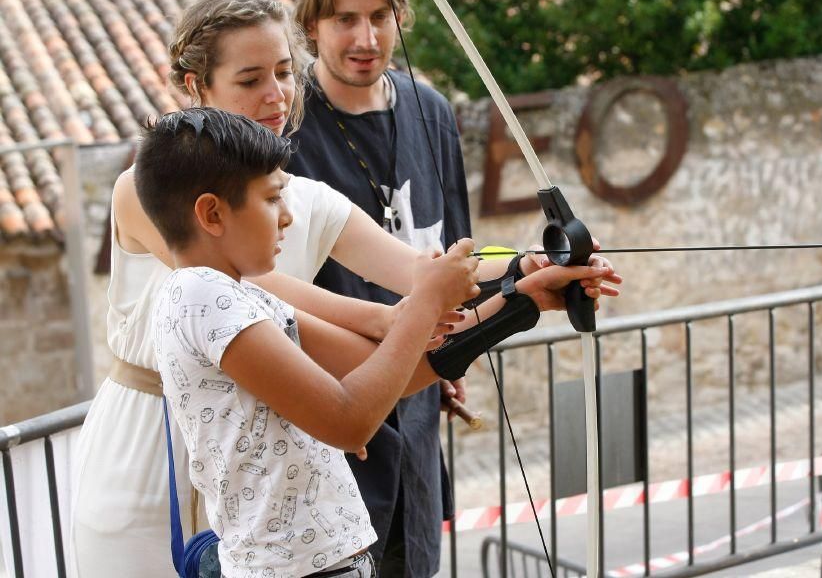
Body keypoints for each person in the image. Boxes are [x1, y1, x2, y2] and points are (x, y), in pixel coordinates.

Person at [68, 0, 621, 578]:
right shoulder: (151, 191)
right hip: (153, 453)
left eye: (284, 72)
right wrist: (387, 319)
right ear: (197, 86)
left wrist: (529, 266)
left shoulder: (299, 199)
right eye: (250, 79)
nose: (276, 95)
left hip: (266, 454)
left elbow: (418, 268)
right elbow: (253, 292)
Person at [136, 106, 613, 576]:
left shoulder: (240, 295)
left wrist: (520, 298)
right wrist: (425, 301)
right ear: (212, 214)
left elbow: (388, 366)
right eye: (271, 199)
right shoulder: (201, 296)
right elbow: (349, 421)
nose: (287, 218)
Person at [288, 0, 624, 574]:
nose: (366, 39)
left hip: (416, 405)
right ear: (311, 25)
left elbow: (454, 261)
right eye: (344, 19)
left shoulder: (431, 111)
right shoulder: (284, 123)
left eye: (380, 16)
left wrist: (531, 267)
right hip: (328, 416)